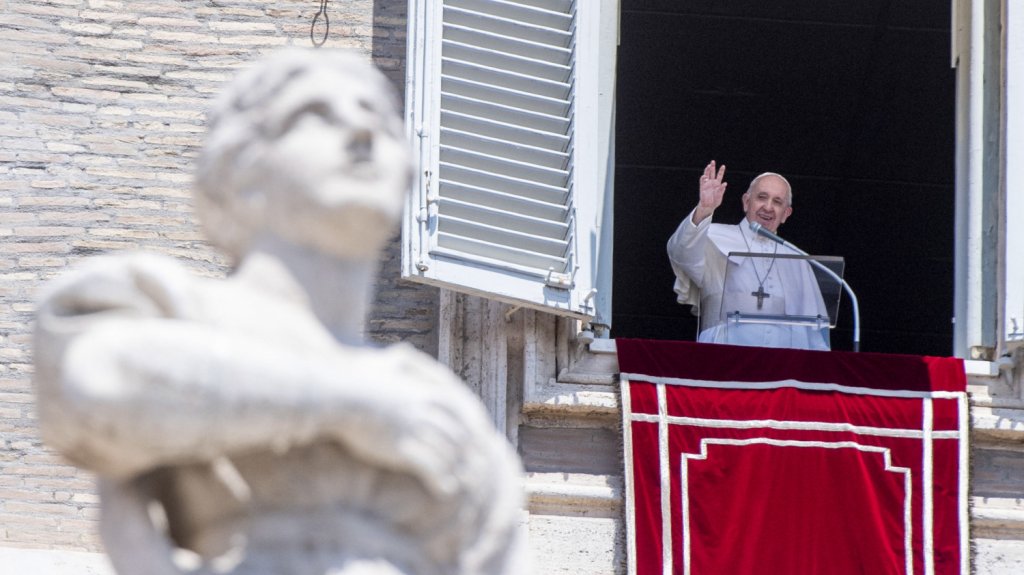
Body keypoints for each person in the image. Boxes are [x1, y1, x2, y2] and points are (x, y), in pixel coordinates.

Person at [667, 160, 831, 350]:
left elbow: (814, 331)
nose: (768, 207)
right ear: (746, 202)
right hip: (723, 354)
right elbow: (681, 252)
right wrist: (704, 209)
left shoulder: (797, 259)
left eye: (777, 202)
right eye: (762, 197)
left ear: (786, 214)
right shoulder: (713, 236)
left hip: (781, 364)